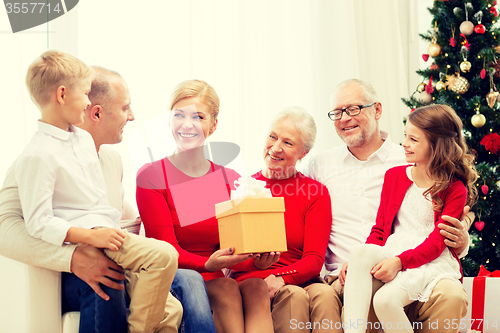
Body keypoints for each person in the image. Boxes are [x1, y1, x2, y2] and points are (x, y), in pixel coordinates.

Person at [15, 50, 179, 333]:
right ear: (63, 95)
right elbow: (38, 222)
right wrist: (90, 236)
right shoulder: (36, 156)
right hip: (91, 237)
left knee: (171, 310)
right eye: (86, 93)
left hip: (107, 232)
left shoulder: (81, 140)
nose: (90, 102)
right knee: (163, 256)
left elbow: (98, 200)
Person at [303, 79, 473, 333]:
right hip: (356, 271)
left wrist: (462, 240)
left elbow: (450, 226)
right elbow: (377, 226)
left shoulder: (407, 160)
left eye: (353, 109)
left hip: (417, 263)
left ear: (377, 110)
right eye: (337, 112)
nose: (344, 118)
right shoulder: (320, 165)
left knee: (450, 295)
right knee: (364, 266)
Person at [136, 79, 274, 333]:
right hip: (178, 277)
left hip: (215, 275)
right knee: (226, 287)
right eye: (179, 115)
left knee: (256, 286)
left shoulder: (228, 179)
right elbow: (166, 249)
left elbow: (231, 253)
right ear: (169, 121)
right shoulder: (152, 176)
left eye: (198, 116)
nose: (187, 124)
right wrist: (206, 265)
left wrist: (257, 263)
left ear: (213, 124)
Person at [343, 104, 477, 333]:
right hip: (394, 249)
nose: (404, 143)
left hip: (431, 260)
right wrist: (361, 262)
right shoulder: (394, 176)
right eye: (406, 136)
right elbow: (379, 229)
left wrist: (400, 262)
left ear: (437, 146)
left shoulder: (454, 188)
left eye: (413, 139)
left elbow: (437, 243)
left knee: (385, 301)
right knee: (358, 253)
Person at [230, 107, 335, 333]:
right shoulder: (243, 189)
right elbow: (228, 254)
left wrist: (281, 277)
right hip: (254, 279)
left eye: (288, 143)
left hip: (301, 276)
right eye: (273, 137)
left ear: (304, 153)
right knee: (294, 296)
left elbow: (315, 259)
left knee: (326, 294)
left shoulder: (315, 192)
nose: (275, 148)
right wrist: (258, 266)